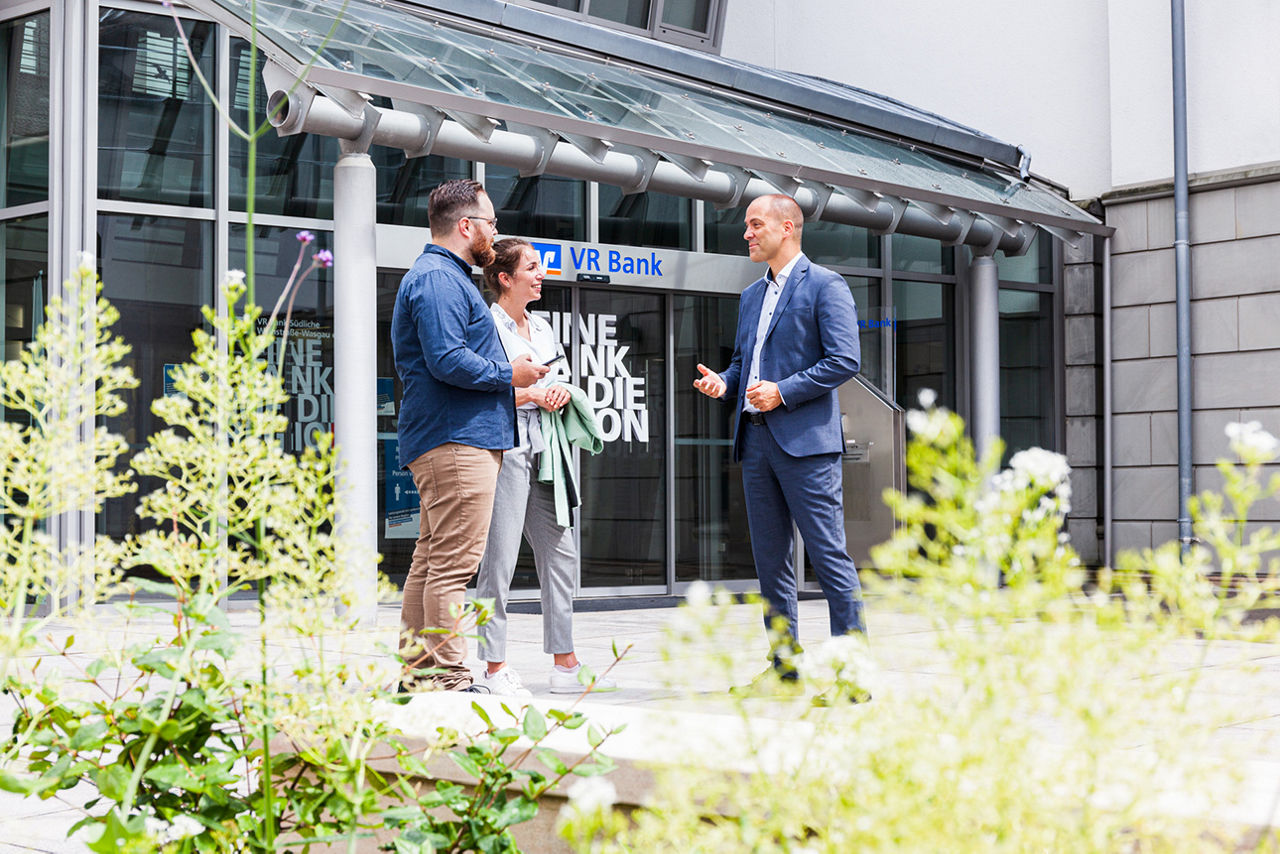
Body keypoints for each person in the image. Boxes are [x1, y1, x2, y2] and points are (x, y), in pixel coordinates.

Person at [692, 193, 867, 684]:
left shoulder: (826, 285)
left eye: (755, 224)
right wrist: (724, 383)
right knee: (771, 564)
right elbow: (744, 364)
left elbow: (844, 360)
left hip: (806, 446)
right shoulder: (751, 296)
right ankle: (784, 667)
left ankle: (854, 675)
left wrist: (782, 392)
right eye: (747, 226)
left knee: (829, 558)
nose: (746, 233)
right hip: (755, 443)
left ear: (787, 227)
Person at [392, 179, 548, 693]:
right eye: (491, 223)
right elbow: (447, 359)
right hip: (457, 440)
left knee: (432, 560)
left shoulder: (441, 276)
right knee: (452, 565)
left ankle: (419, 672)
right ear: (466, 226)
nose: (495, 233)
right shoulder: (439, 279)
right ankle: (449, 675)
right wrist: (511, 374)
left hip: (449, 436)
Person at [474, 238, 618, 696]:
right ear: (505, 278)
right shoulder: (486, 326)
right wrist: (530, 394)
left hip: (548, 447)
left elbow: (561, 378)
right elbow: (480, 389)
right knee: (498, 560)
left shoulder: (542, 327)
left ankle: (565, 661)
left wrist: (559, 391)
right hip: (506, 446)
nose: (541, 275)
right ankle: (493, 666)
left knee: (561, 552)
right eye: (532, 267)